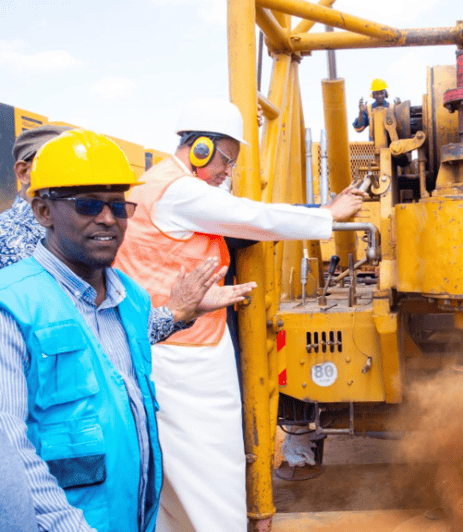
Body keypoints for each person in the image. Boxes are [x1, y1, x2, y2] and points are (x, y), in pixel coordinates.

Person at [114, 97, 367, 532]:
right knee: (212, 467)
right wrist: (328, 215)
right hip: (183, 353)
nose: (227, 171)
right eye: (225, 159)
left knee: (177, 474)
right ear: (200, 149)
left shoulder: (159, 183)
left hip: (170, 341)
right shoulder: (179, 190)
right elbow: (255, 218)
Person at [0, 129, 254, 532]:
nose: (107, 219)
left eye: (119, 206)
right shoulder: (11, 305)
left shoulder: (129, 299)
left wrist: (178, 311)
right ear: (43, 212)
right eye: (87, 205)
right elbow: (9, 456)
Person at [0, 124, 71, 268]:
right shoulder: (5, 235)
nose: (72, 173)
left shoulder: (79, 226)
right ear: (24, 172)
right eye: (60, 164)